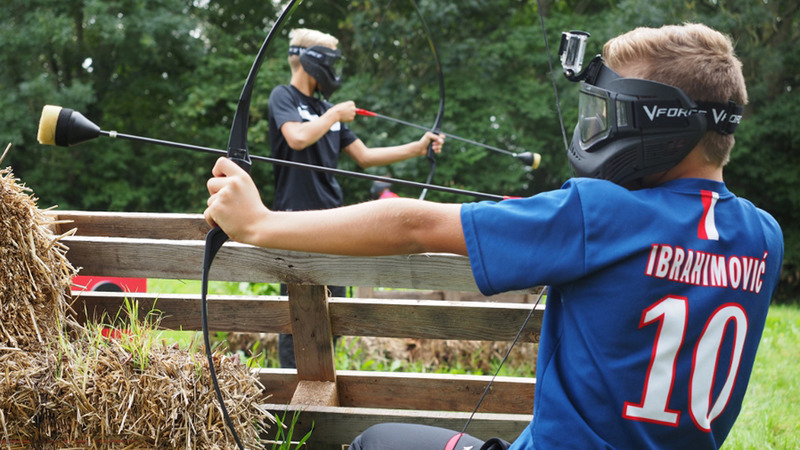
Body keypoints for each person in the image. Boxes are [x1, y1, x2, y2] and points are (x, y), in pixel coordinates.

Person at [205, 23, 783, 449]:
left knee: (373, 442)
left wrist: (257, 222)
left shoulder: (600, 214)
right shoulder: (765, 238)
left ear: (654, 122)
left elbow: (414, 223)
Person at [268, 28, 445, 368]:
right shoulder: (284, 97)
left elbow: (364, 156)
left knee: (334, 311)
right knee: (297, 317)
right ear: (312, 61)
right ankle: (294, 400)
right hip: (295, 223)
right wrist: (333, 115)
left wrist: (417, 148)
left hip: (334, 221)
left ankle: (321, 388)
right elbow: (297, 138)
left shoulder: (325, 108)